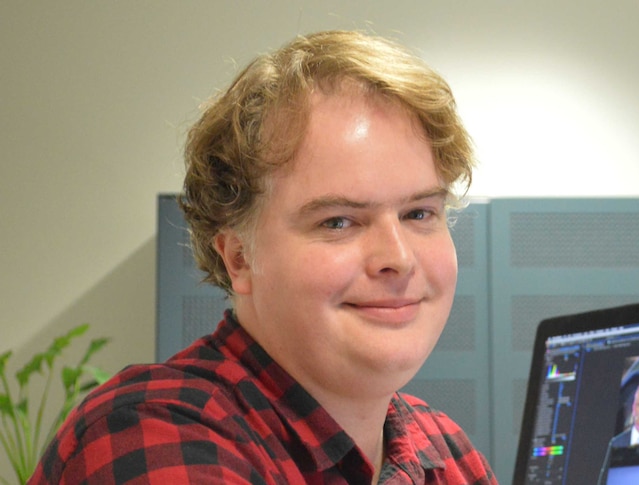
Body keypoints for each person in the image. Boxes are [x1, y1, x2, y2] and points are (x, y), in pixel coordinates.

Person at [30, 30, 497, 484]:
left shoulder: (445, 451)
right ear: (239, 259)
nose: (397, 258)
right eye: (338, 222)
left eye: (419, 213)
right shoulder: (153, 432)